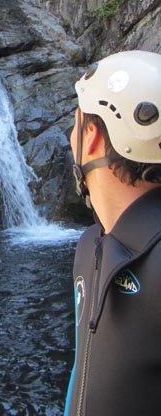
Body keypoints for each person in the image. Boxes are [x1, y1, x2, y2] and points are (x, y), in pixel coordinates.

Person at [64, 50, 161, 416]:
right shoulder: (90, 246)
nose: (69, 136)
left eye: (75, 123)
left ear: (90, 137)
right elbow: (81, 373)